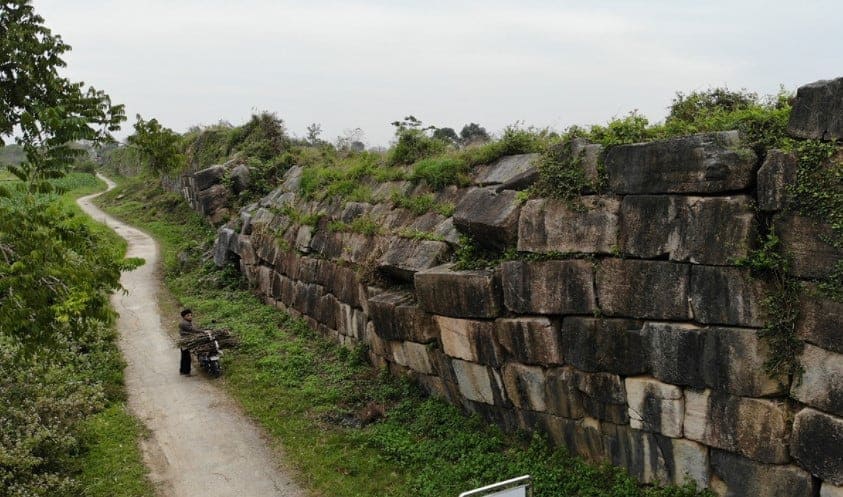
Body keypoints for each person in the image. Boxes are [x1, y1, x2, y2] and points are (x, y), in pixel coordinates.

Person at [179, 308, 197, 375]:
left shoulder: (185, 322)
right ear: (184, 317)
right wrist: (203, 331)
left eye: (191, 315)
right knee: (187, 358)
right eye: (188, 315)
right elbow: (193, 330)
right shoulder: (184, 323)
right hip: (185, 342)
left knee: (184, 357)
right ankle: (187, 372)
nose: (190, 317)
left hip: (184, 342)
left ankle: (182, 371)